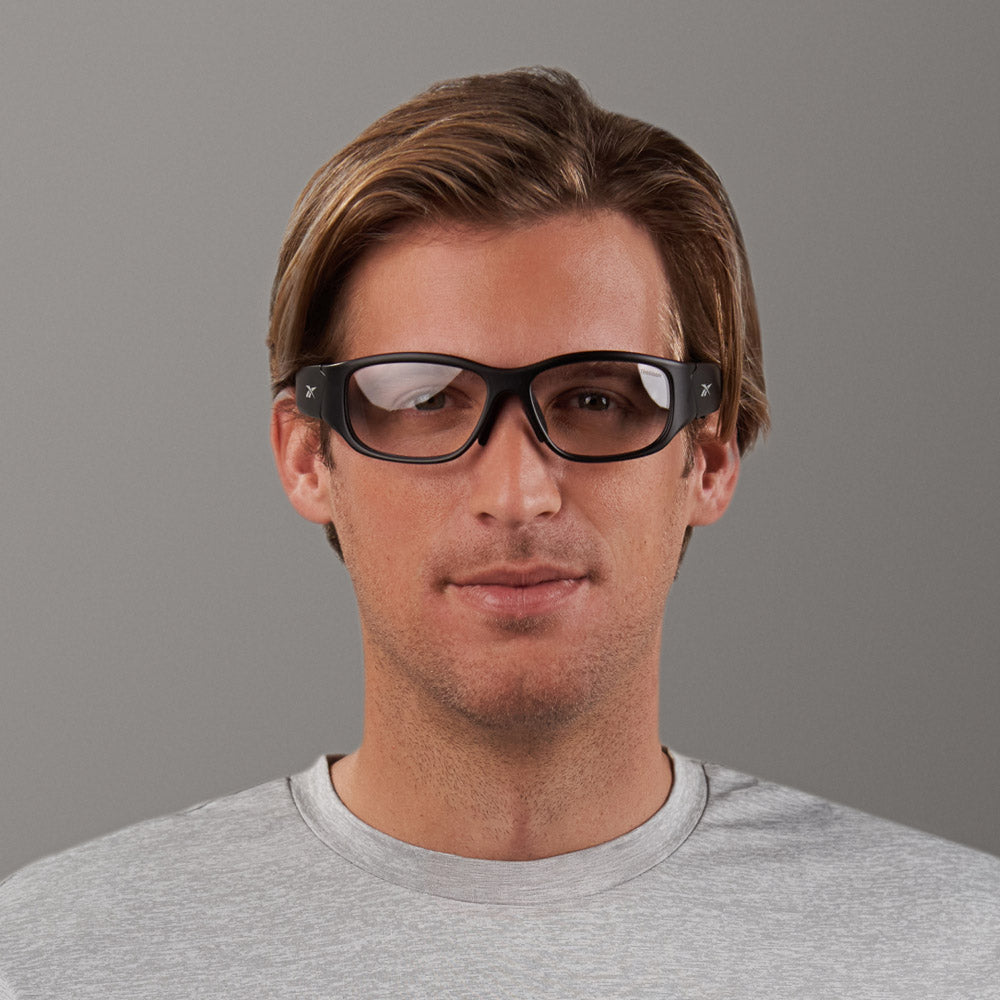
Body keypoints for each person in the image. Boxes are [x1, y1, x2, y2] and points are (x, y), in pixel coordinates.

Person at [1, 67, 996, 998]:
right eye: (428, 396)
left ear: (709, 455)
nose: (518, 493)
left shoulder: (958, 952)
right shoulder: (53, 957)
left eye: (599, 398)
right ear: (310, 456)